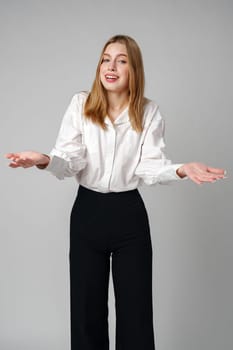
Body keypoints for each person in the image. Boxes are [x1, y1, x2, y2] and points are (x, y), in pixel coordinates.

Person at [5, 34, 226, 350]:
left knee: (136, 315)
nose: (111, 67)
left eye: (121, 60)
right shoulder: (81, 104)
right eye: (105, 59)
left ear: (134, 69)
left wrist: (181, 169)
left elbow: (148, 167)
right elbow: (70, 161)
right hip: (88, 212)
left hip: (128, 216)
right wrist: (45, 160)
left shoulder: (148, 113)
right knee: (85, 313)